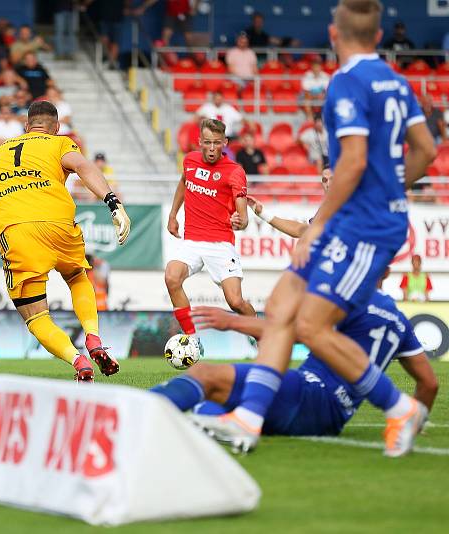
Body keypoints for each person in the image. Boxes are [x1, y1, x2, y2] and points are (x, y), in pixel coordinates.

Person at [192, 0, 437, 458]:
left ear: (332, 34)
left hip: (364, 225)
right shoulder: (398, 82)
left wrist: (319, 225)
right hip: (365, 215)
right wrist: (389, 186)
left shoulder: (345, 83)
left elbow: (356, 160)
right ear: (379, 38)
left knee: (309, 323)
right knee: (282, 305)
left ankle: (398, 406)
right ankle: (248, 419)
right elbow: (425, 149)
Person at [152, 283, 438, 439]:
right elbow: (429, 384)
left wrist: (233, 322)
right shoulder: (399, 320)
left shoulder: (350, 301)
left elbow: (296, 332)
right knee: (210, 407)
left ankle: (131, 414)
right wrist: (415, 425)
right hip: (331, 417)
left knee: (204, 375)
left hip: (310, 393)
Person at [0, 100, 130, 382]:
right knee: (77, 275)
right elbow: (83, 166)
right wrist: (113, 203)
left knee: (36, 316)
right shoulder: (60, 144)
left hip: (16, 231)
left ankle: (78, 360)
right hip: (58, 223)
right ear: (56, 127)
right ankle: (94, 337)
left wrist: (11, 242)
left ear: (26, 127)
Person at [165, 118, 254, 358]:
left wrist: (241, 221)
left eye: (217, 143)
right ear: (199, 142)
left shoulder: (235, 172)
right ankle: (193, 340)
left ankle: (260, 333)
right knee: (172, 277)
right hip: (192, 240)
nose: (212, 148)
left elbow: (243, 214)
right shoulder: (190, 161)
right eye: (207, 143)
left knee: (235, 301)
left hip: (220, 243)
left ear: (225, 142)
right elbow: (184, 183)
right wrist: (173, 214)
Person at [132, 0, 199, 46]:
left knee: (189, 39)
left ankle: (193, 63)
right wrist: (142, 8)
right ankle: (167, 62)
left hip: (185, 13)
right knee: (165, 39)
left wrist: (195, 8)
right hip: (171, 14)